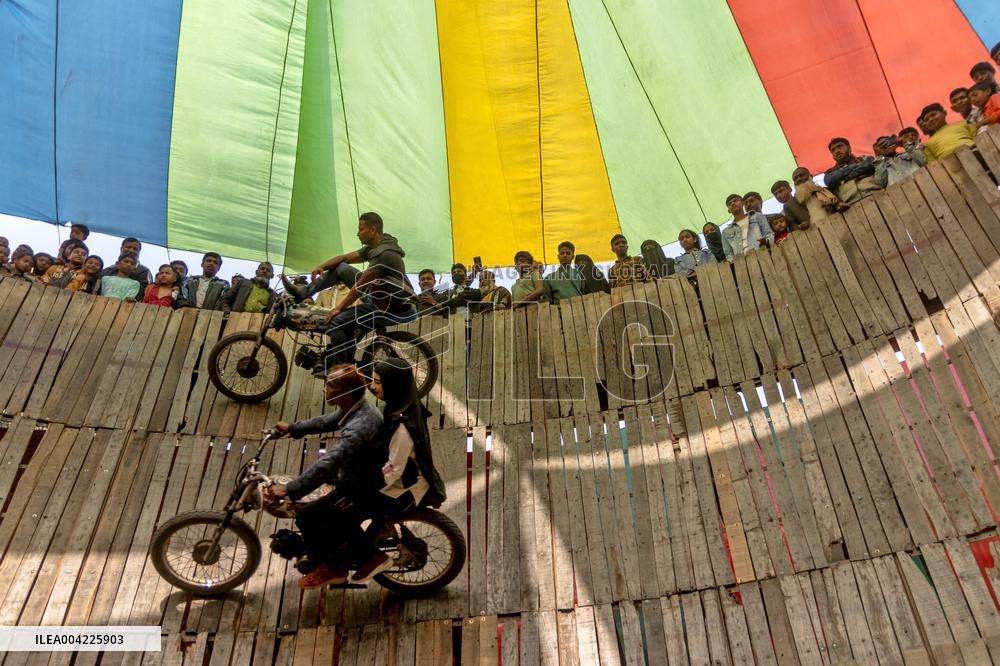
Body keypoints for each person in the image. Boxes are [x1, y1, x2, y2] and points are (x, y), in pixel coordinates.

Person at [265, 364, 387, 588]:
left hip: (360, 487)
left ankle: (338, 567)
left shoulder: (360, 426)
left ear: (346, 393)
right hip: (355, 476)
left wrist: (291, 488)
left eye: (331, 386)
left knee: (307, 516)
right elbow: (327, 421)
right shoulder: (357, 408)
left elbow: (329, 463)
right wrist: (293, 428)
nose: (325, 390)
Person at [285, 213, 417, 368]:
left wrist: (338, 309)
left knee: (335, 321)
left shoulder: (384, 254)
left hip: (385, 306)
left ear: (373, 230)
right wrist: (322, 266)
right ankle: (302, 293)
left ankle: (341, 370)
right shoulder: (376, 246)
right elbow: (345, 259)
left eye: (361, 229)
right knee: (341, 269)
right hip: (378, 295)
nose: (357, 233)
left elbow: (359, 288)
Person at [367, 357, 446, 582]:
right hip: (410, 472)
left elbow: (394, 469)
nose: (372, 387)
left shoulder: (401, 425)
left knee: (355, 503)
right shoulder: (404, 403)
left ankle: (371, 555)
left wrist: (368, 482)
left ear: (393, 385)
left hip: (408, 484)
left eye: (378, 382)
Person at [823, 138, 881, 204]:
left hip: (878, 195)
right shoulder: (830, 172)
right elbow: (829, 181)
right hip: (852, 206)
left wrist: (844, 178)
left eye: (839, 146)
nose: (836, 151)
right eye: (833, 150)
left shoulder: (864, 159)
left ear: (849, 148)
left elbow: (870, 165)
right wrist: (853, 167)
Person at [720, 194, 773, 262]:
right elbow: (728, 253)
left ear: (743, 203)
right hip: (743, 265)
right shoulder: (725, 232)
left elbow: (769, 234)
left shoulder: (757, 216)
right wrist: (736, 263)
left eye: (735, 201)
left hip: (763, 256)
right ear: (729, 210)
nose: (732, 203)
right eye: (729, 203)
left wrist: (767, 242)